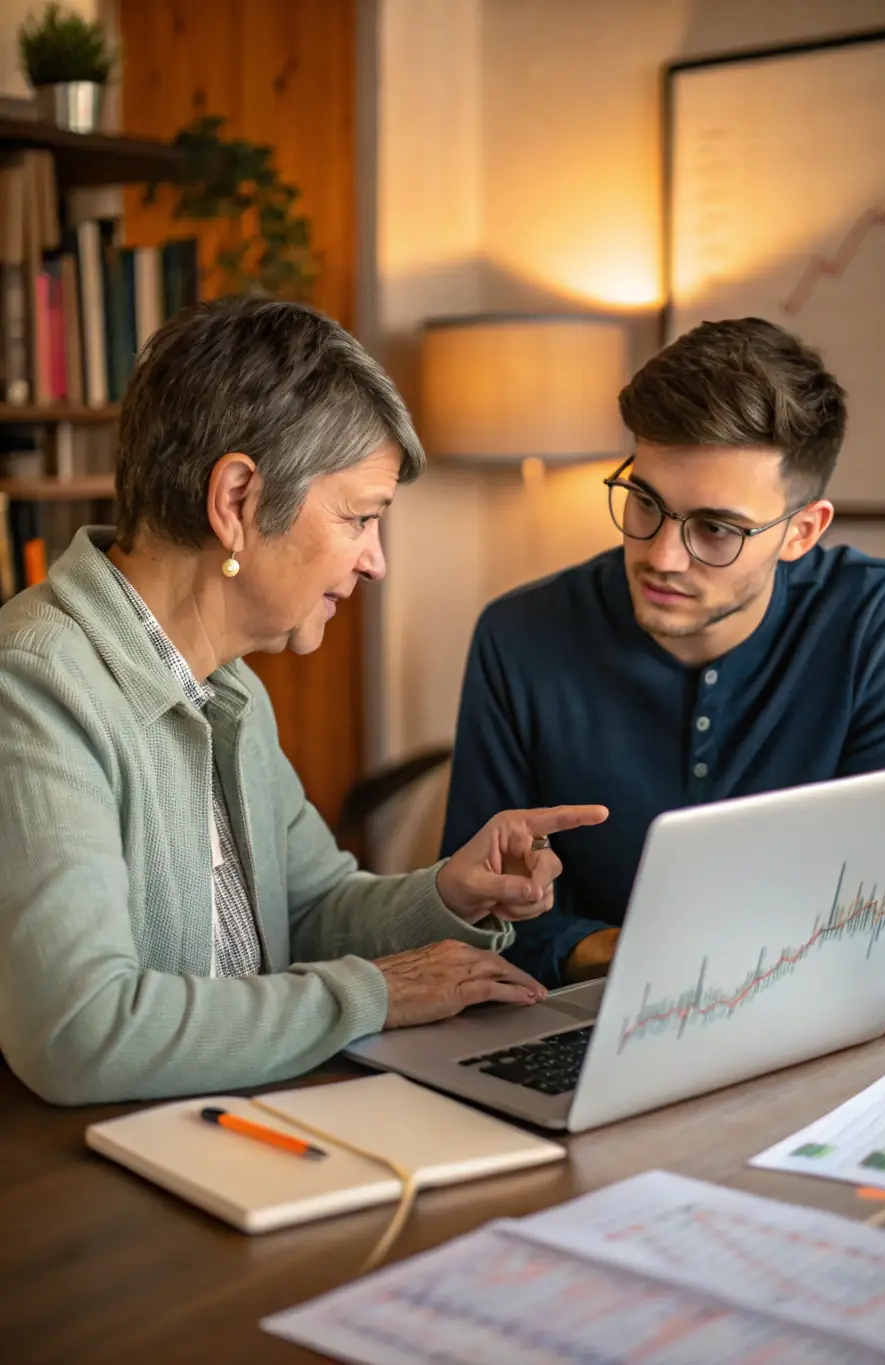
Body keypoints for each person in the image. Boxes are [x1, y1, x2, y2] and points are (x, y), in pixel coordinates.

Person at [0, 297, 607, 1106]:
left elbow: (311, 908)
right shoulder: (34, 686)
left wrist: (448, 895)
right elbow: (82, 1029)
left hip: (236, 1124)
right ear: (238, 500)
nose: (375, 562)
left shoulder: (231, 687)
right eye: (360, 517)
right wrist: (377, 992)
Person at [441, 317, 885, 988]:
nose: (662, 556)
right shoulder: (519, 635)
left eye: (716, 529)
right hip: (587, 1025)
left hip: (812, 1037)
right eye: (644, 501)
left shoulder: (873, 619)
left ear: (801, 531)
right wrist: (616, 952)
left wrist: (641, 949)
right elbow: (473, 915)